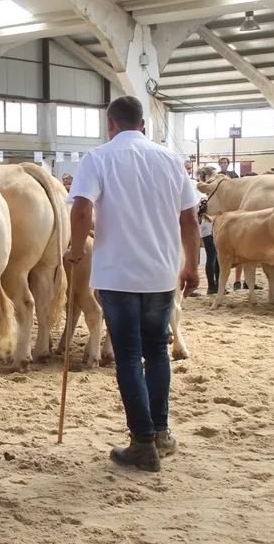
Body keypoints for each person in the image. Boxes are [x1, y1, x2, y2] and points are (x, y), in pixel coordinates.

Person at [65, 95, 199, 472]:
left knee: (127, 354)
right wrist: (191, 266)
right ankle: (160, 433)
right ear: (143, 124)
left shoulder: (98, 158)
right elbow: (189, 220)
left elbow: (81, 207)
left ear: (111, 124)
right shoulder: (171, 160)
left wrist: (76, 249)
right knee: (157, 351)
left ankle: (142, 443)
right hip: (160, 273)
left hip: (118, 274)